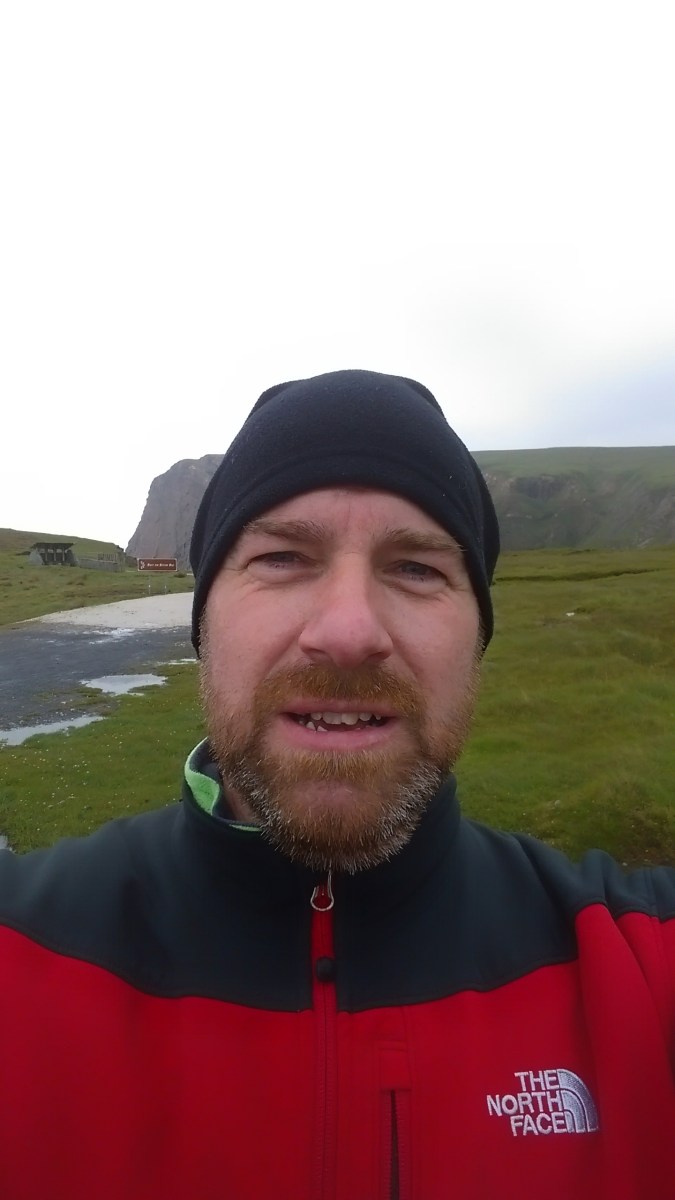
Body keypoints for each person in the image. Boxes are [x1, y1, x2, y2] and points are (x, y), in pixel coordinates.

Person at [0, 369, 673, 1200]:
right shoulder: (20, 954)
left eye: (416, 568)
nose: (349, 631)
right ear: (205, 623)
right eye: (282, 557)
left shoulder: (638, 968)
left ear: (476, 638)